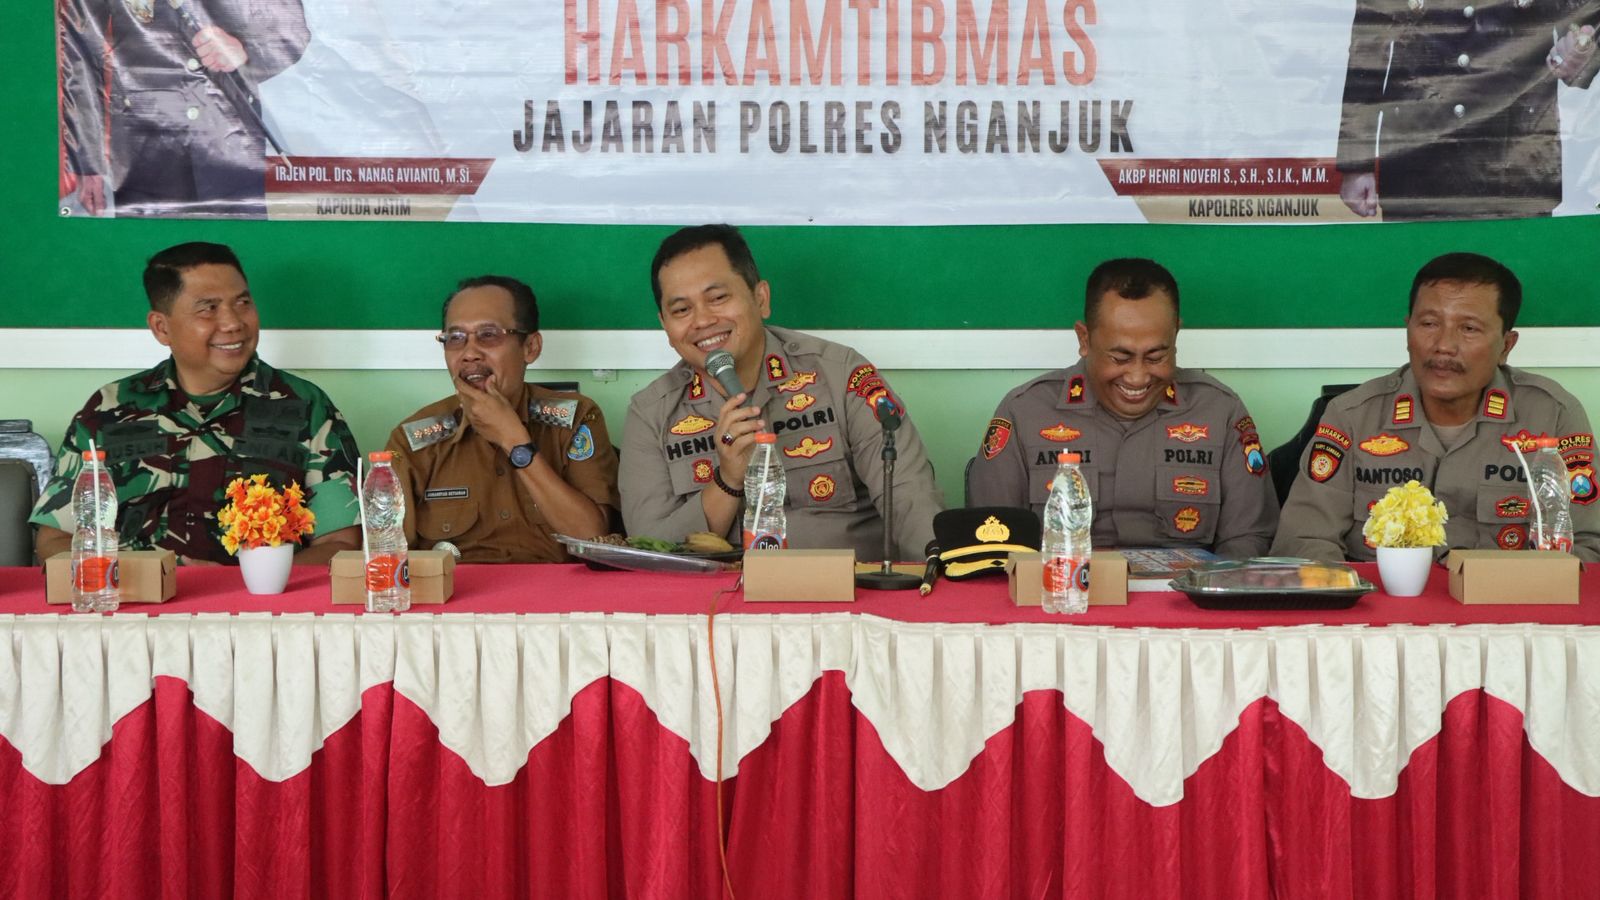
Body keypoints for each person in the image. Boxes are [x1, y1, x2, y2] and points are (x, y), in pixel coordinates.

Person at [620, 224, 944, 561]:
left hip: (847, 586)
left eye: (717, 298)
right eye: (681, 310)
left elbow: (910, 499)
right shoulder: (651, 414)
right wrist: (727, 480)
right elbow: (649, 549)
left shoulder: (841, 374)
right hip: (723, 592)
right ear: (665, 326)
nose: (702, 321)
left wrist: (934, 573)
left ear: (761, 299)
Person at [30, 242, 360, 565]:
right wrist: (142, 580)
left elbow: (341, 544)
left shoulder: (304, 405)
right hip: (132, 597)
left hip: (259, 600)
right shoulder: (108, 409)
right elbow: (55, 539)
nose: (233, 322)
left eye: (243, 302)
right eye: (208, 308)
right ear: (161, 328)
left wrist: (250, 584)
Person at [1272, 253, 1599, 561]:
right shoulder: (1351, 417)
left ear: (1506, 346)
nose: (1444, 346)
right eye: (1429, 324)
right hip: (1379, 600)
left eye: (1469, 329)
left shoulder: (1553, 416)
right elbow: (1303, 541)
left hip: (1509, 600)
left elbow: (1589, 546)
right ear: (1407, 331)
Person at [968, 258, 1278, 557]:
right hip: (1062, 588)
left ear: (1176, 335)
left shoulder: (1219, 411)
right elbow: (993, 543)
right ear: (1084, 339)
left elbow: (1248, 540)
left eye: (1156, 357)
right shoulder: (1025, 413)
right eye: (1120, 358)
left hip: (1184, 592)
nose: (1138, 376)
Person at [384, 276, 619, 562]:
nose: (469, 353)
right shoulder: (414, 441)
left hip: (555, 590)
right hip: (459, 589)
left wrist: (514, 442)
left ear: (530, 347)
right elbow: (387, 557)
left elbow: (593, 540)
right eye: (455, 338)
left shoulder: (575, 418)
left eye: (488, 335)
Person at [1336, 0, 1599, 221]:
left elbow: (1589, 15)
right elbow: (1370, 42)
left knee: (1518, 264)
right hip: (1418, 157)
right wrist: (1357, 161)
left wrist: (1582, 47)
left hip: (1516, 157)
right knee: (1418, 263)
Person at [57, 0, 309, 218]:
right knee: (149, 252)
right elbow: (81, 53)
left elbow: (293, 32)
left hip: (233, 141)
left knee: (238, 249)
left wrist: (246, 52)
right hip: (144, 146)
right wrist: (87, 161)